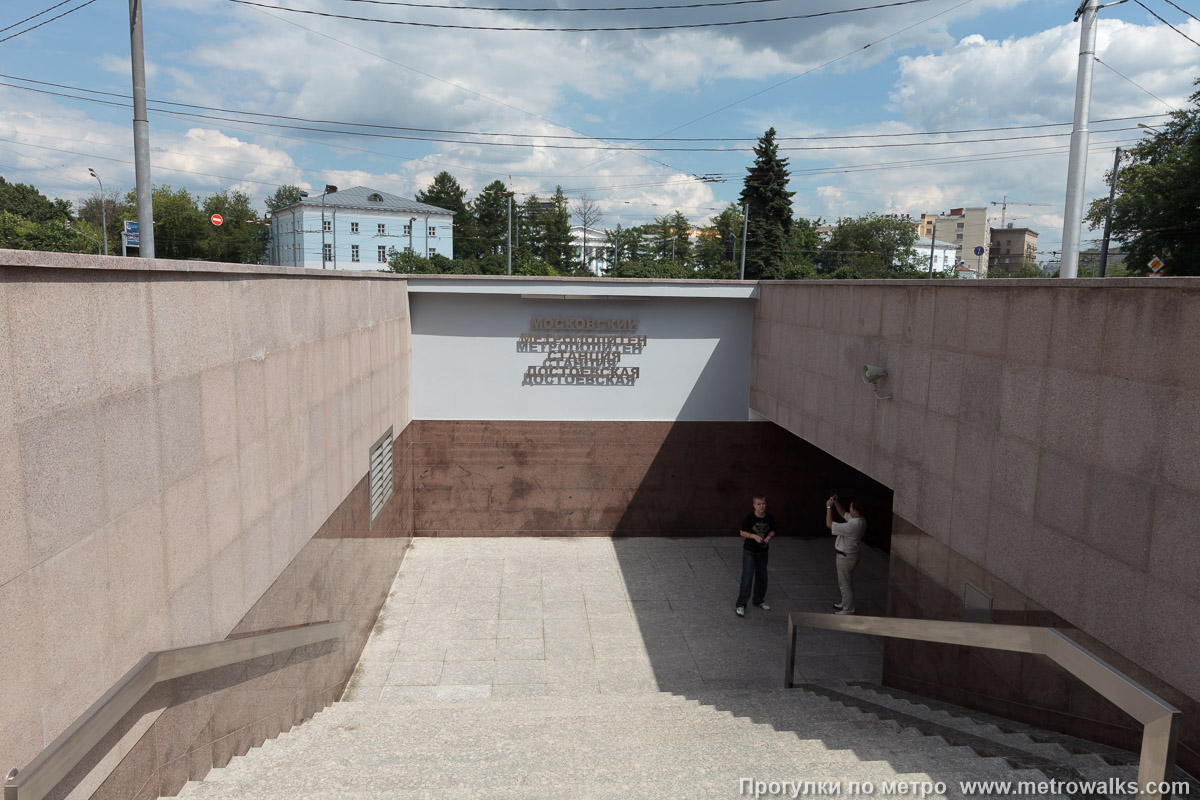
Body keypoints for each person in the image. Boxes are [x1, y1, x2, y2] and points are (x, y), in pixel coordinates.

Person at [825, 494, 866, 615]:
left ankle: (848, 609)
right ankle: (845, 602)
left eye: (851, 508)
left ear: (856, 510)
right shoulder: (861, 520)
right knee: (846, 581)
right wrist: (836, 503)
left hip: (845, 557)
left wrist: (828, 508)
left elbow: (829, 524)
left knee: (844, 584)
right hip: (851, 555)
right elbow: (844, 514)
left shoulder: (852, 526)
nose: (849, 509)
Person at [735, 495, 775, 617]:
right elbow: (741, 532)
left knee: (762, 576)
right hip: (750, 551)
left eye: (763, 503)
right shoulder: (749, 518)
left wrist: (768, 538)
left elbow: (772, 531)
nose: (762, 506)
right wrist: (754, 536)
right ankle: (741, 604)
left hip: (763, 551)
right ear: (754, 505)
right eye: (759, 504)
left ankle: (759, 600)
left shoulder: (769, 518)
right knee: (747, 576)